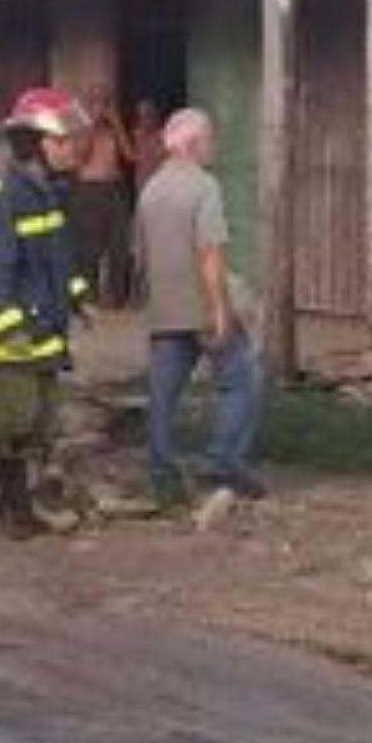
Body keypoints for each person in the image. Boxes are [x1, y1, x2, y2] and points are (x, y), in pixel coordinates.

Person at [0, 88, 94, 539]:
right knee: (14, 419)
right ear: (37, 145)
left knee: (38, 420)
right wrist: (12, 328)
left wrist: (75, 296)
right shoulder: (3, 196)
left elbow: (60, 257)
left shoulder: (51, 193)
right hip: (9, 332)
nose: (73, 148)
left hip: (43, 325)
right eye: (64, 141)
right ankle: (16, 511)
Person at [135, 108, 266, 509]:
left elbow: (140, 255)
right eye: (210, 140)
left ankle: (161, 472)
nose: (214, 147)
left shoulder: (150, 190)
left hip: (163, 310)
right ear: (193, 144)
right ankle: (223, 461)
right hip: (200, 309)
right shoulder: (205, 187)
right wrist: (220, 312)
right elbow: (209, 253)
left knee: (163, 393)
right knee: (243, 379)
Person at [71, 83, 136, 309]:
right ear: (89, 106)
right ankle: (89, 296)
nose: (102, 107)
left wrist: (116, 123)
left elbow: (130, 155)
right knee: (89, 246)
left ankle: (118, 296)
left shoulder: (113, 130)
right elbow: (80, 157)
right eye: (96, 102)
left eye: (105, 102)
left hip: (115, 188)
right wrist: (92, 126)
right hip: (89, 190)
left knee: (120, 244)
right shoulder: (80, 128)